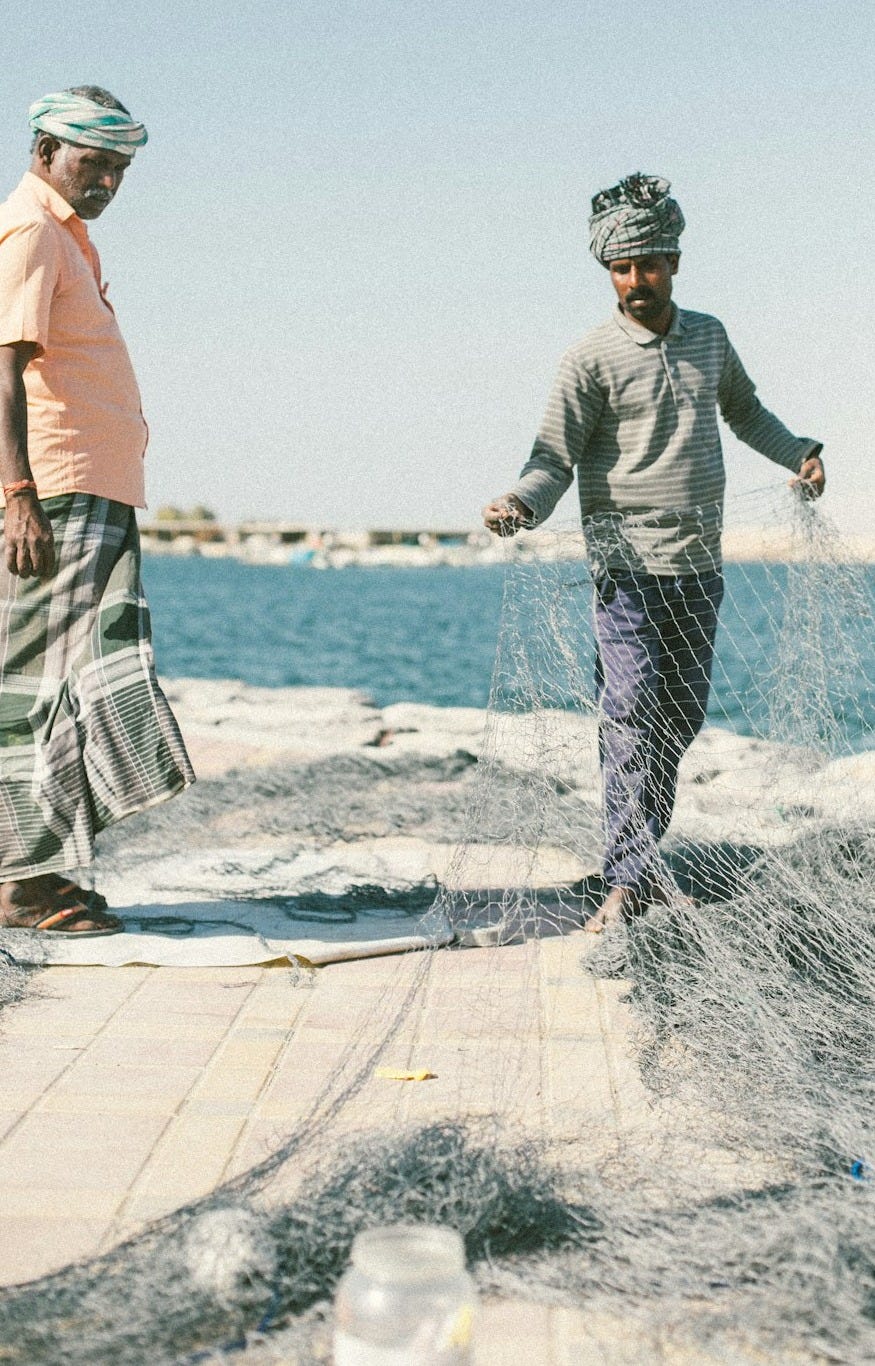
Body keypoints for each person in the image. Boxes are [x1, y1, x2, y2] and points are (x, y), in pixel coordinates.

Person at [483, 173, 824, 932]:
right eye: (621, 267)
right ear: (607, 271)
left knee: (676, 718)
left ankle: (642, 862)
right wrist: (518, 505)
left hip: (698, 565)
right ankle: (627, 877)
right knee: (629, 714)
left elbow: (745, 413)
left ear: (673, 260)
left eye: (649, 263)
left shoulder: (709, 335)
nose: (636, 280)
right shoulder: (589, 359)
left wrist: (798, 451)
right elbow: (551, 460)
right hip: (624, 570)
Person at [0, 87, 194, 936]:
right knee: (38, 686)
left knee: (81, 683)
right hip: (58, 492)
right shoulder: (34, 232)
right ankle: (18, 883)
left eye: (120, 168)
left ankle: (38, 875)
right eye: (94, 162)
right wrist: (17, 499)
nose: (109, 181)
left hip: (93, 490)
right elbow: (2, 373)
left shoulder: (67, 237)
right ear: (46, 151)